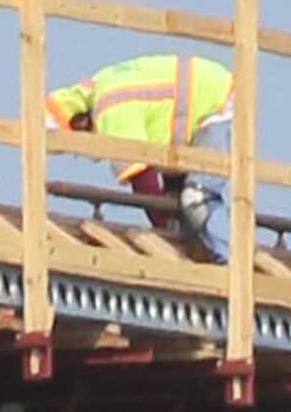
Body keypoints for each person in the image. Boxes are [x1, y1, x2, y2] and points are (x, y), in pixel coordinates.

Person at [47, 51, 231, 258]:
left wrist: (163, 229)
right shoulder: (103, 87)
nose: (78, 154)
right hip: (203, 102)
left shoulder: (111, 109)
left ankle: (230, 263)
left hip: (217, 103)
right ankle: (207, 249)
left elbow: (143, 179)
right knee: (180, 201)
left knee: (197, 197)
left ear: (79, 123)